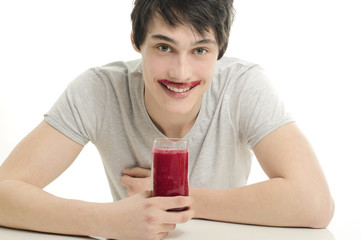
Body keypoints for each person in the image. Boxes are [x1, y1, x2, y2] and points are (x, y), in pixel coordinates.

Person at [0, 0, 334, 239]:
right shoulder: (99, 90)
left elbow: (315, 204)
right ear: (137, 41)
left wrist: (177, 197)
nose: (181, 72)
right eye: (164, 47)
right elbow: (4, 192)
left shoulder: (243, 85)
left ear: (219, 51)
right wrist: (104, 221)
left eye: (200, 50)